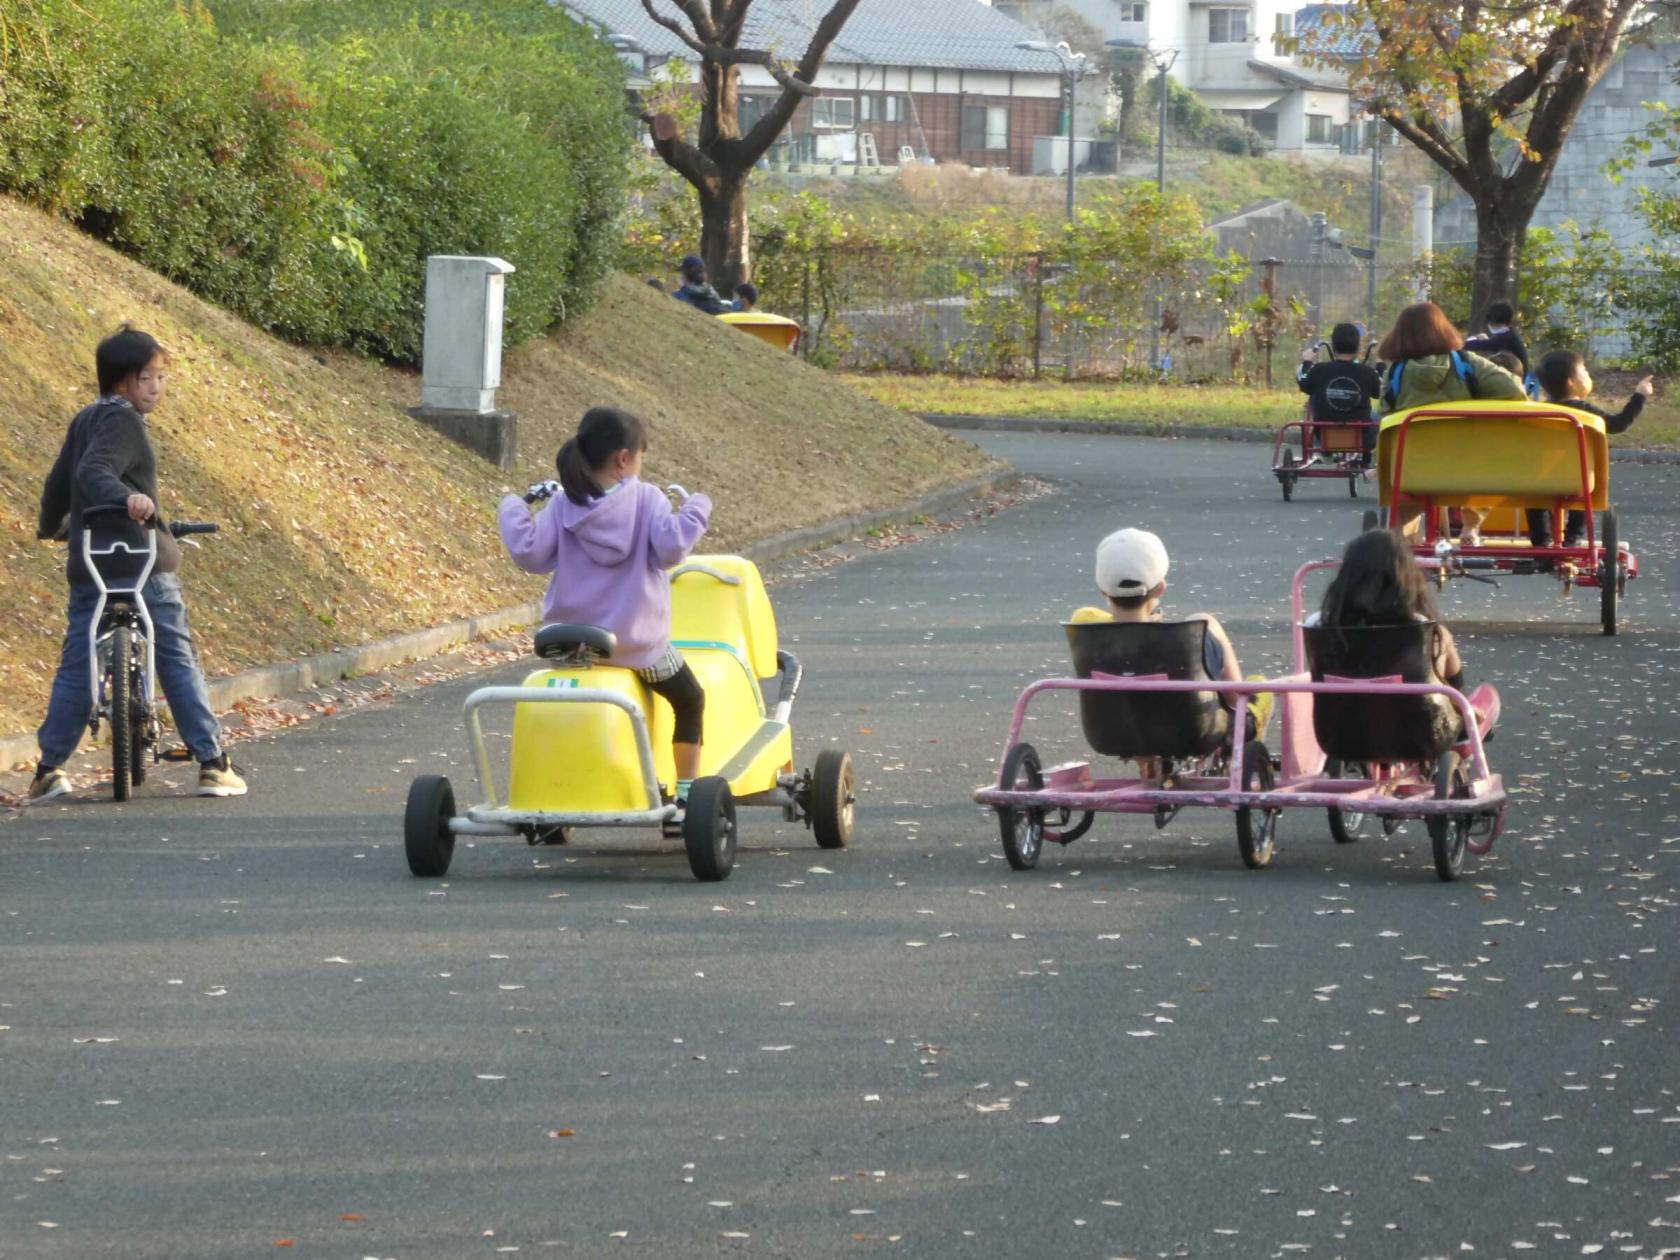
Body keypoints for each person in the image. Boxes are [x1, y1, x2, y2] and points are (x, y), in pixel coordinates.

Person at [31, 328, 246, 801]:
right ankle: (213, 763)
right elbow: (92, 473)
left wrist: (51, 526)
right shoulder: (124, 421)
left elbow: (59, 482)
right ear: (121, 382)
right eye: (146, 377)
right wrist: (127, 497)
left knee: (80, 661)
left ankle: (48, 770)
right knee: (174, 654)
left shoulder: (86, 418)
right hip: (141, 562)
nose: (155, 387)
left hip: (92, 563)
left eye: (160, 377)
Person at [499, 406, 712, 812]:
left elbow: (531, 554)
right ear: (623, 459)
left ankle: (555, 787)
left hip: (568, 643)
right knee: (690, 698)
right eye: (641, 456)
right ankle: (687, 796)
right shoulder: (647, 500)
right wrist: (697, 508)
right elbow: (671, 549)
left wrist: (513, 507)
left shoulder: (563, 505)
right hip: (633, 646)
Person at [1070, 528, 1269, 730]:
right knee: (1207, 623)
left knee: (1087, 614)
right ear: (1161, 588)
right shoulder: (1188, 638)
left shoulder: (1086, 627)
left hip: (1114, 732)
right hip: (1191, 731)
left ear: (1103, 591)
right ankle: (1245, 718)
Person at [1377, 301, 1526, 543]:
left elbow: (1386, 415)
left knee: (1406, 500)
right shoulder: (1467, 363)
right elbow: (1515, 390)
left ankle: (1401, 546)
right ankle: (1470, 526)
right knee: (1485, 466)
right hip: (1465, 464)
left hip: (1415, 468)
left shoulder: (1395, 373)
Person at [1525, 349, 1656, 550]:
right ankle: (1572, 539)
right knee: (1584, 491)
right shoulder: (1583, 410)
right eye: (1584, 371)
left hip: (1539, 479)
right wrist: (1639, 396)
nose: (1588, 374)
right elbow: (1617, 424)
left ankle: (1541, 542)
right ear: (1571, 382)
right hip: (1576, 478)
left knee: (1535, 499)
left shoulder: (1540, 412)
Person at [1298, 322, 1382, 458]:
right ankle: (1367, 453)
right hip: (1362, 432)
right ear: (1358, 347)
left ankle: (1327, 451)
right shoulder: (1367, 372)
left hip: (1325, 430)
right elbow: (1380, 392)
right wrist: (1380, 364)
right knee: (1377, 417)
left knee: (1314, 394)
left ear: (1333, 345)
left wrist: (1307, 362)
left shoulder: (1319, 370)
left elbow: (1303, 383)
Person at [1462, 300, 1530, 376]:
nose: (1490, 325)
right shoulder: (1510, 334)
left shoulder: (1506, 338)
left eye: (1492, 323)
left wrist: (1473, 340)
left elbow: (1470, 345)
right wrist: (1486, 340)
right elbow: (1492, 343)